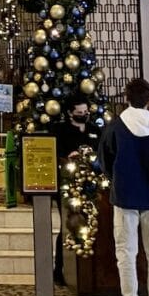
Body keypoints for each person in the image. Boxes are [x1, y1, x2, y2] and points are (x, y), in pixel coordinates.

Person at [99, 77, 149, 296]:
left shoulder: (115, 127)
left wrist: (117, 179)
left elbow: (104, 160)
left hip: (124, 197)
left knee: (126, 254)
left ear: (126, 98)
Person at [51, 95, 101, 286]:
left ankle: (89, 271)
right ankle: (60, 268)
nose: (83, 116)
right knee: (69, 224)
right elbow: (57, 153)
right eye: (79, 113)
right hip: (68, 184)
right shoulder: (61, 131)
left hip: (92, 185)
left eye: (86, 113)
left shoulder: (95, 130)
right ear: (70, 113)